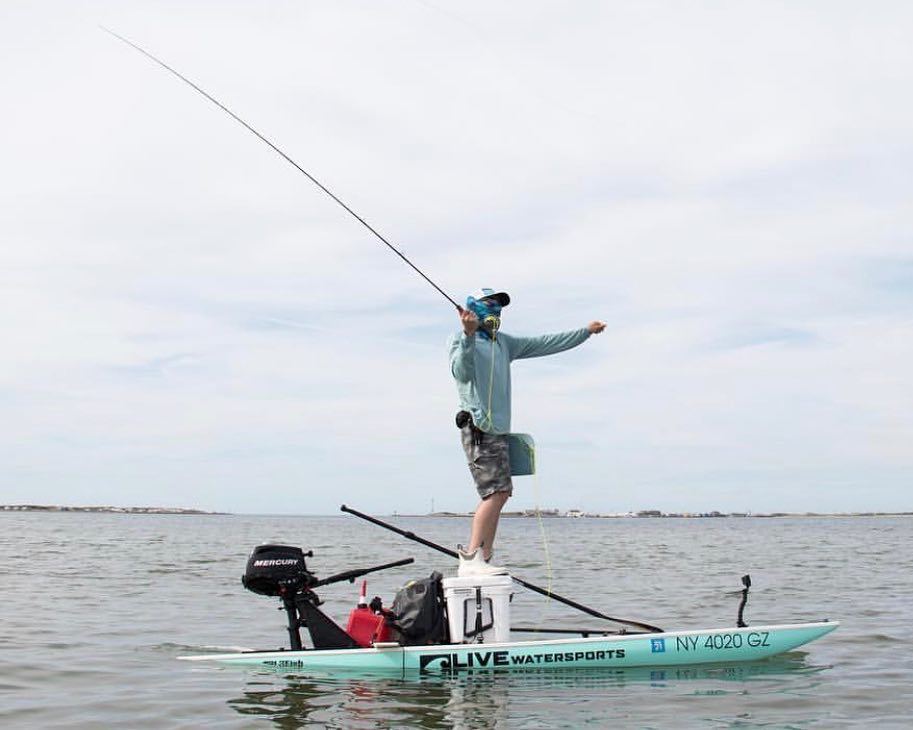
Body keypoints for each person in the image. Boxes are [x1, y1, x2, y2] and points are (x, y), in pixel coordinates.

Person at [449, 287, 606, 576]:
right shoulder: (461, 338)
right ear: (474, 307)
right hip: (477, 427)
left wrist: (585, 332)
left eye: (500, 305)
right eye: (490, 304)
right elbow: (461, 373)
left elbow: (545, 342)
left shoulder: (504, 343)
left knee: (503, 491)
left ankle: (484, 557)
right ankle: (472, 558)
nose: (496, 309)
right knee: (494, 492)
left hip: (499, 430)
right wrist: (469, 335)